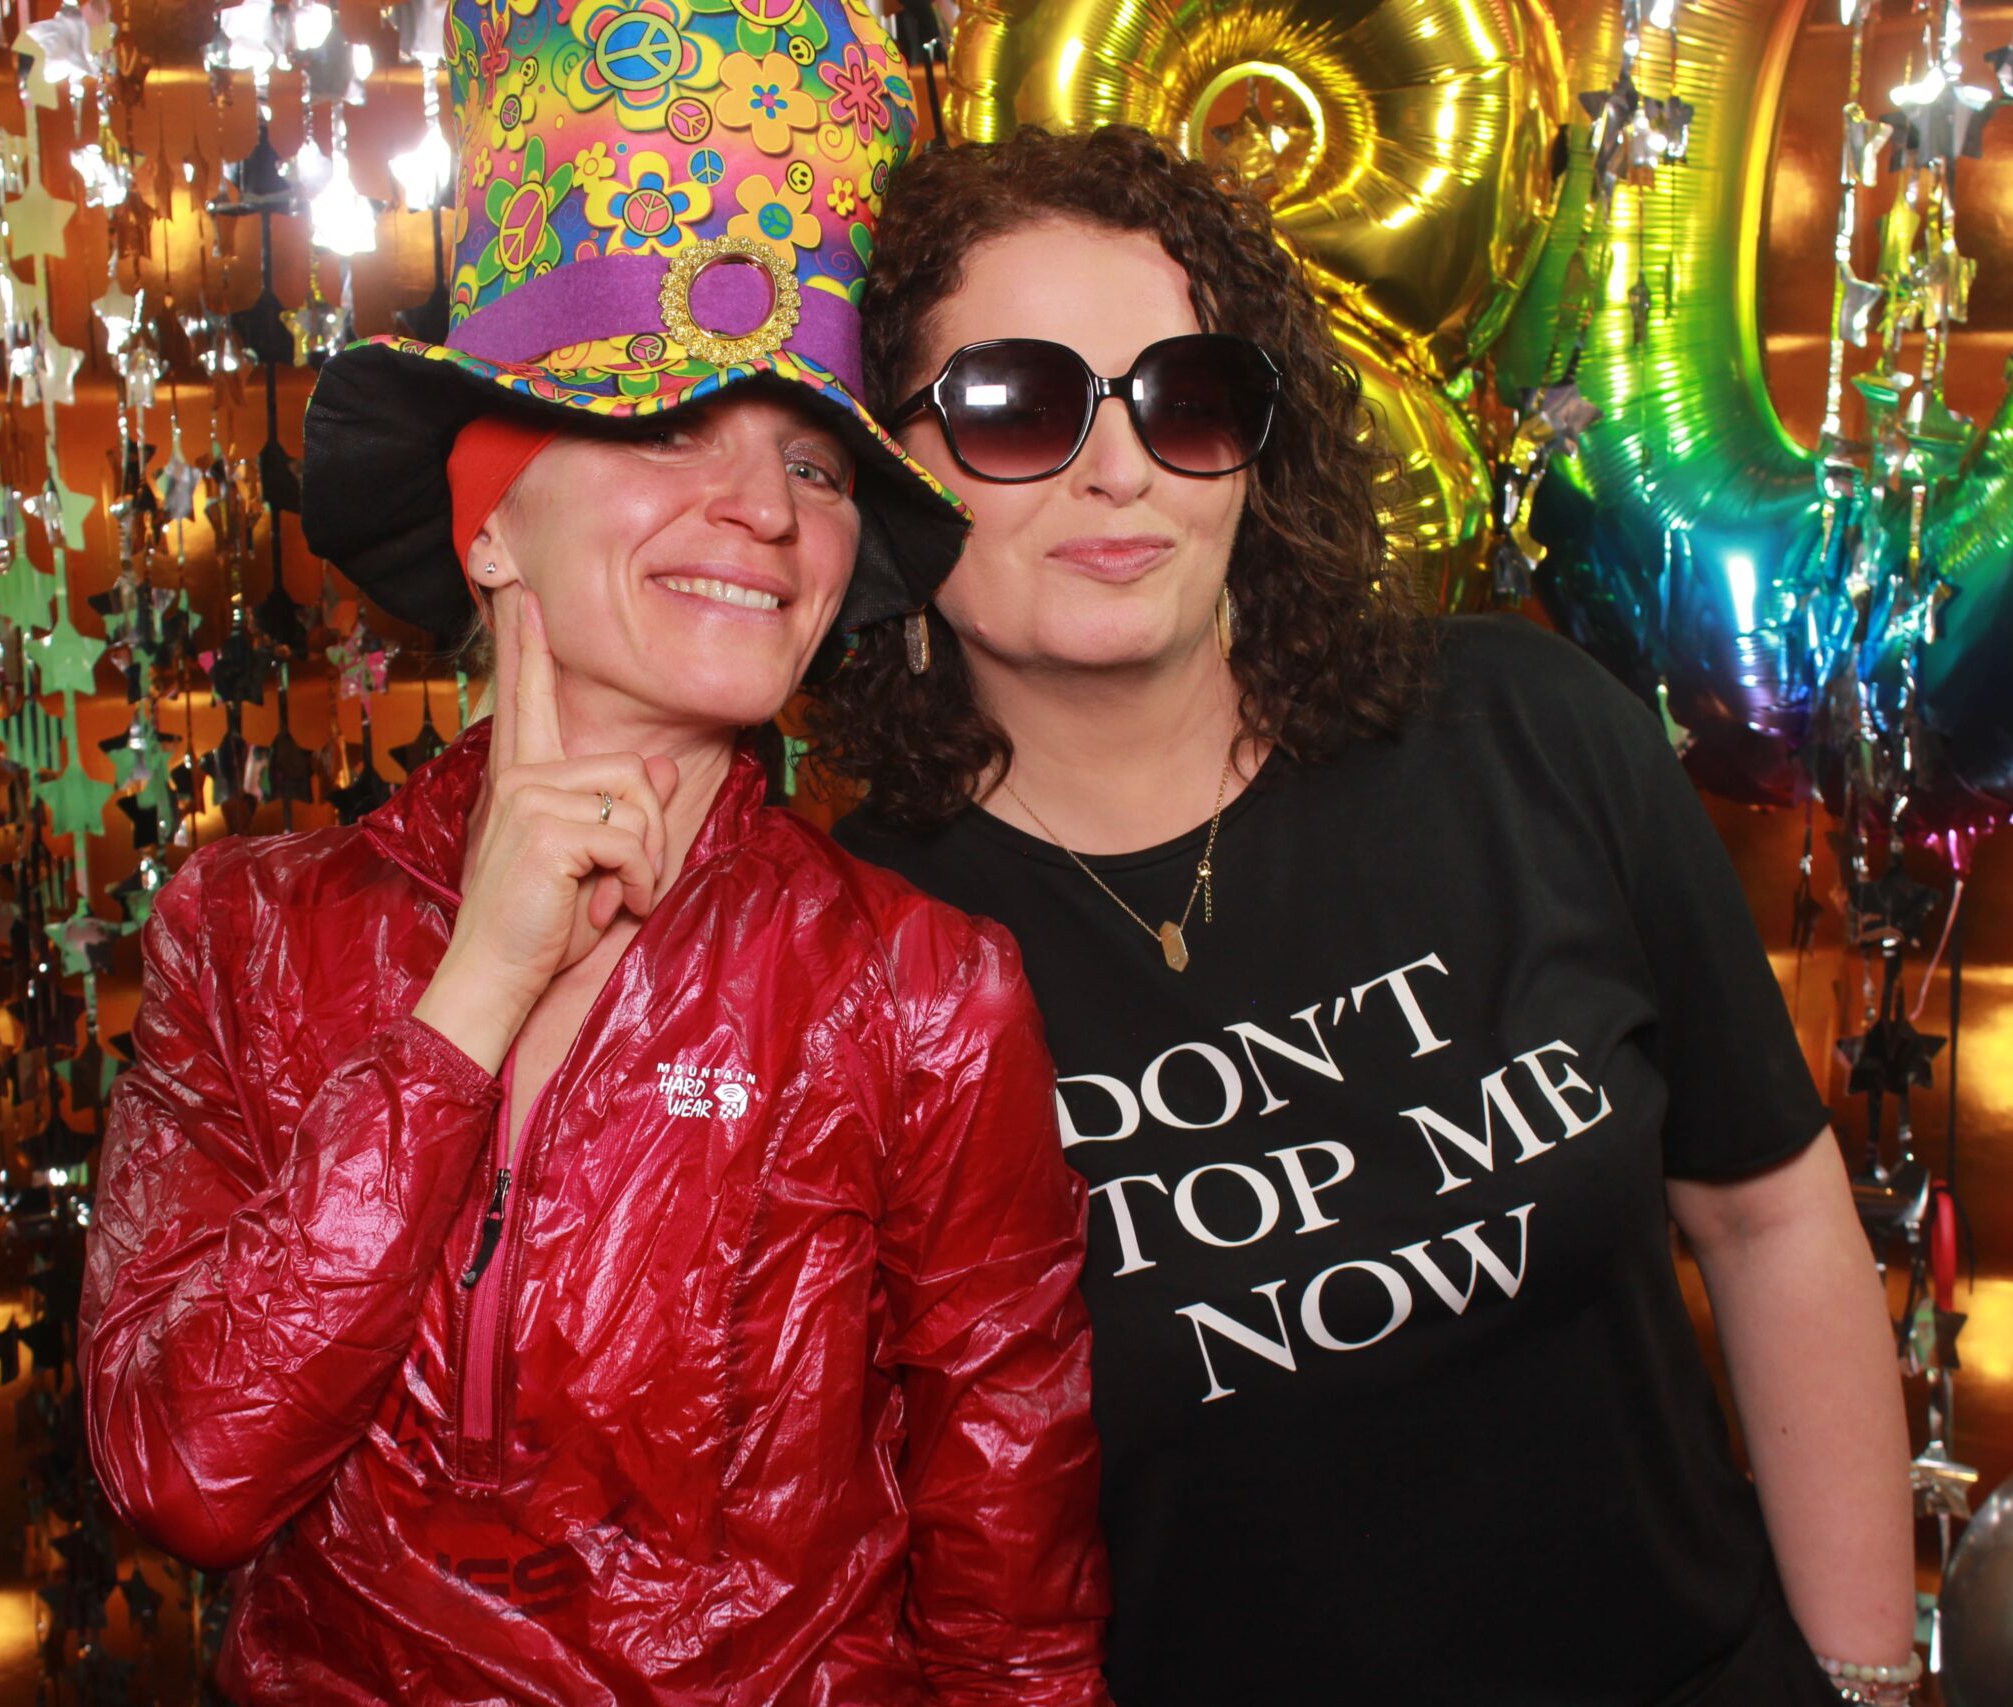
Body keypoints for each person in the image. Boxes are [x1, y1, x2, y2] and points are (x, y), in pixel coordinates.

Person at [814, 125, 1919, 1707]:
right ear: (887, 464)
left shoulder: (1527, 729)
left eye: (1188, 399)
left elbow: (1769, 1217)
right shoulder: (858, 952)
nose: (1121, 469)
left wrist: (1865, 1683)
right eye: (1019, 405)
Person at [78, 9, 1109, 1701]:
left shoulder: (920, 990)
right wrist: (470, 997)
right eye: (665, 429)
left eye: (812, 464)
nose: (764, 511)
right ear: (490, 520)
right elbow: (185, 1475)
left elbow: (1016, 1626)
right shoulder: (245, 932)